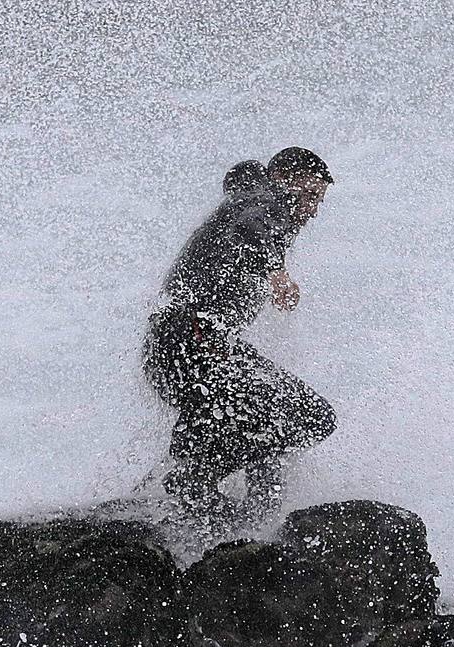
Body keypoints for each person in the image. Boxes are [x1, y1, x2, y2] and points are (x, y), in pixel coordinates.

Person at [143, 147, 338, 525]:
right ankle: (193, 479)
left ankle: (254, 521)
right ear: (285, 180)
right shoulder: (266, 201)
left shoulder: (246, 199)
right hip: (192, 340)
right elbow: (251, 228)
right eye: (311, 196)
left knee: (272, 421)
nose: (313, 210)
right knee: (311, 416)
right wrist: (275, 271)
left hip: (177, 347)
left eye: (319, 201)